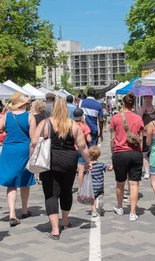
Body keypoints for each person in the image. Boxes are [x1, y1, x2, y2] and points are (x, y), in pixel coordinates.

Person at [31, 98, 91, 240]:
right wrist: (88, 161)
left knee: (51, 194)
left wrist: (32, 159)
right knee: (66, 191)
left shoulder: (45, 124)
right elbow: (82, 147)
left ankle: (55, 229)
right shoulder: (74, 125)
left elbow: (33, 142)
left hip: (50, 161)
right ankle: (65, 220)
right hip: (69, 161)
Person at [0, 93, 36, 227]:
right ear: (23, 104)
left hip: (9, 150)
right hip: (24, 150)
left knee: (11, 183)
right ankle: (24, 209)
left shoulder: (6, 117)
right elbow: (33, 139)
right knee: (25, 181)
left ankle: (11, 213)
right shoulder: (29, 116)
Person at [109, 93, 145, 221]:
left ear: (122, 103)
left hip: (120, 153)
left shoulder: (115, 118)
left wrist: (112, 153)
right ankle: (133, 212)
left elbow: (112, 139)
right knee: (134, 183)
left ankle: (119, 207)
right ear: (133, 104)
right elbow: (140, 137)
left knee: (120, 183)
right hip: (135, 153)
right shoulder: (138, 118)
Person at [88, 146, 113, 217]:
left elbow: (84, 173)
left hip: (92, 186)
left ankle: (94, 211)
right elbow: (109, 169)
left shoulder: (89, 166)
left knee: (92, 199)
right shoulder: (101, 164)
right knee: (100, 193)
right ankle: (100, 197)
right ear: (98, 155)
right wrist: (113, 164)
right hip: (100, 185)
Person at [137, 95, 155, 180]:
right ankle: (146, 171)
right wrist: (143, 110)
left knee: (154, 152)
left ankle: (154, 169)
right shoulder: (140, 109)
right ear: (144, 98)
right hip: (144, 134)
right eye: (146, 98)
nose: (148, 99)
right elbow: (138, 120)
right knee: (145, 153)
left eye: (150, 97)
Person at [74, 108, 92, 190]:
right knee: (81, 169)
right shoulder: (84, 126)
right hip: (81, 149)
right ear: (82, 116)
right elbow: (89, 139)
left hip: (72, 149)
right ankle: (80, 188)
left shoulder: (71, 125)